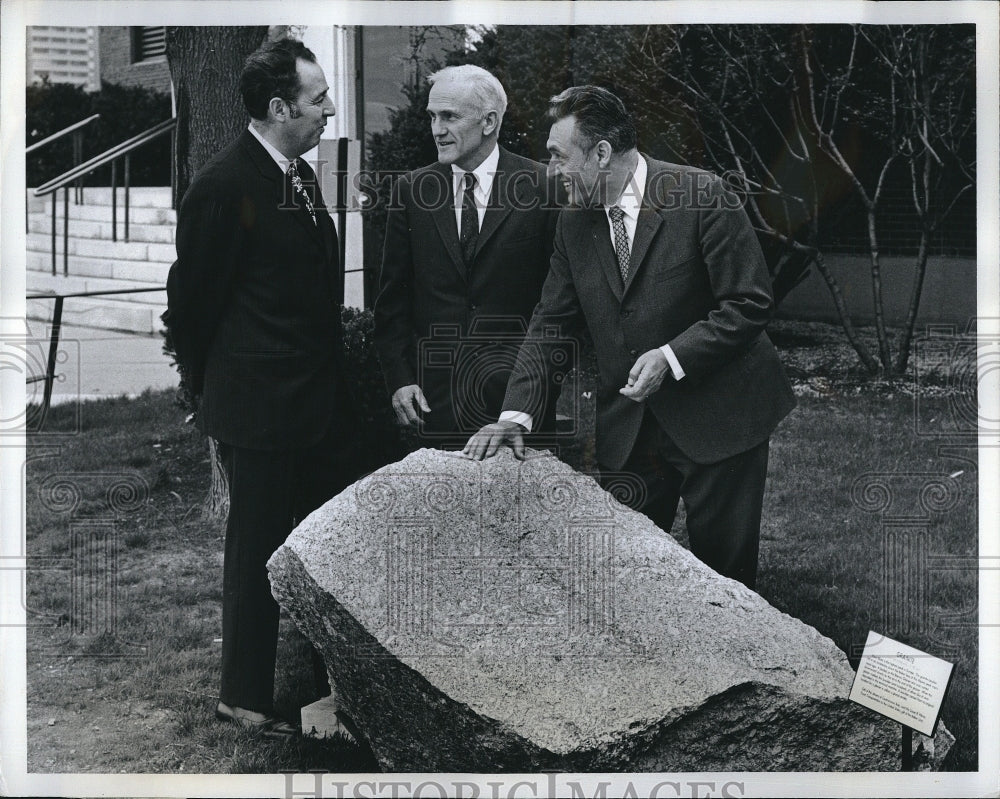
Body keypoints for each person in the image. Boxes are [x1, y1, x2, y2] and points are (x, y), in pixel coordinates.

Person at [464, 86, 796, 590]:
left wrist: (672, 356)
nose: (549, 171)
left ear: (601, 154)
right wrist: (516, 415)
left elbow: (749, 303)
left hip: (724, 416)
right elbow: (552, 322)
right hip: (631, 428)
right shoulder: (573, 223)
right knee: (624, 578)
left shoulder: (702, 195)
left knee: (725, 581)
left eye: (558, 157)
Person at [163, 38, 359, 737]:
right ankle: (243, 695)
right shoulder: (222, 186)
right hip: (260, 411)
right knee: (256, 554)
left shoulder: (300, 176)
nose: (330, 111)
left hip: (317, 405)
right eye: (317, 100)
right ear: (279, 107)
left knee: (325, 547)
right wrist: (207, 389)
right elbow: (192, 307)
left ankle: (327, 686)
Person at [374, 64, 565, 450]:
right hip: (434, 406)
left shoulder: (545, 188)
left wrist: (531, 397)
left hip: (519, 407)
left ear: (489, 121)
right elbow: (392, 302)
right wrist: (400, 379)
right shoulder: (412, 191)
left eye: (449, 117)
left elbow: (560, 306)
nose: (436, 129)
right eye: (432, 116)